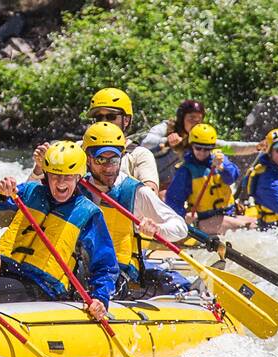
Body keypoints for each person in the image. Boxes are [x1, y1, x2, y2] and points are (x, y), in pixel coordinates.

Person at [0, 141, 119, 320]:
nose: (60, 182)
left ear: (78, 178)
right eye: (55, 176)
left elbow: (105, 265)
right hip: (3, 269)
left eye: (68, 176)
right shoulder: (29, 192)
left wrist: (100, 298)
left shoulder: (88, 213)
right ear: (47, 175)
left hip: (42, 287)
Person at [79, 120, 191, 297]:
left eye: (114, 159)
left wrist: (157, 228)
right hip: (80, 271)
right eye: (101, 159)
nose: (108, 167)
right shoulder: (76, 185)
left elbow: (180, 228)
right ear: (87, 159)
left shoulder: (136, 192)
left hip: (117, 275)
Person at [164, 123, 256, 234]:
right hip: (205, 221)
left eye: (207, 149)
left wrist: (222, 168)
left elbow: (232, 178)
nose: (202, 152)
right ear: (191, 146)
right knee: (251, 227)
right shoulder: (186, 171)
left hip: (229, 214)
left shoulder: (219, 159)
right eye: (198, 148)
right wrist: (183, 217)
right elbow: (173, 199)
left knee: (258, 224)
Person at [87, 87, 158, 190]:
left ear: (126, 120)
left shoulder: (139, 155)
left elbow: (151, 193)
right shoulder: (80, 149)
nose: (104, 121)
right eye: (98, 118)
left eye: (111, 116)